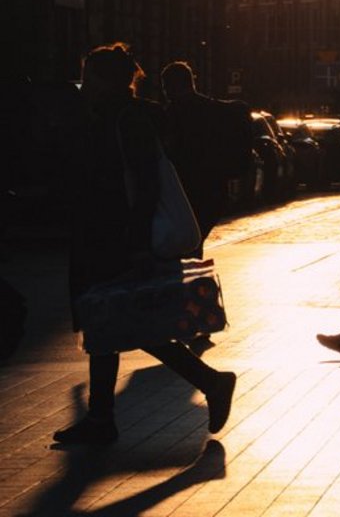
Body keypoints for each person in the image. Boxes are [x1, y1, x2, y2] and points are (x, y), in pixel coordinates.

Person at [53, 43, 235, 446]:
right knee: (111, 320)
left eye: (89, 75)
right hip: (102, 234)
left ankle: (208, 382)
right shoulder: (108, 116)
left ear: (103, 79)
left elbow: (144, 184)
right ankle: (103, 417)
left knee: (118, 318)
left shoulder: (126, 119)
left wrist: (137, 244)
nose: (84, 84)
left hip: (114, 238)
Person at [161, 61, 250, 242]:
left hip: (184, 189)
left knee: (184, 243)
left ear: (170, 86)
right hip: (214, 188)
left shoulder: (173, 113)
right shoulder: (215, 109)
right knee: (195, 240)